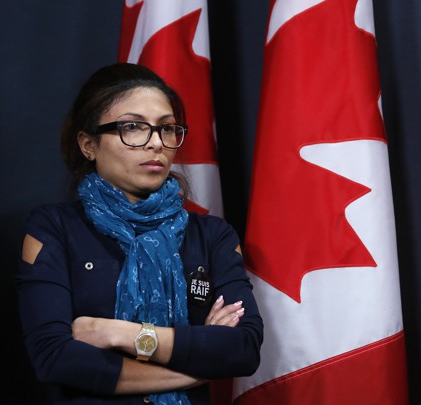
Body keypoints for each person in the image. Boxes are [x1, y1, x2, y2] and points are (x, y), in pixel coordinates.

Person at [16, 63, 262, 404]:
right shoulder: (55, 228)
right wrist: (196, 368)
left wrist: (118, 333)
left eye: (167, 129)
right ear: (89, 144)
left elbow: (244, 349)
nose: (156, 144)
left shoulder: (212, 236)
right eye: (133, 128)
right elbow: (55, 358)